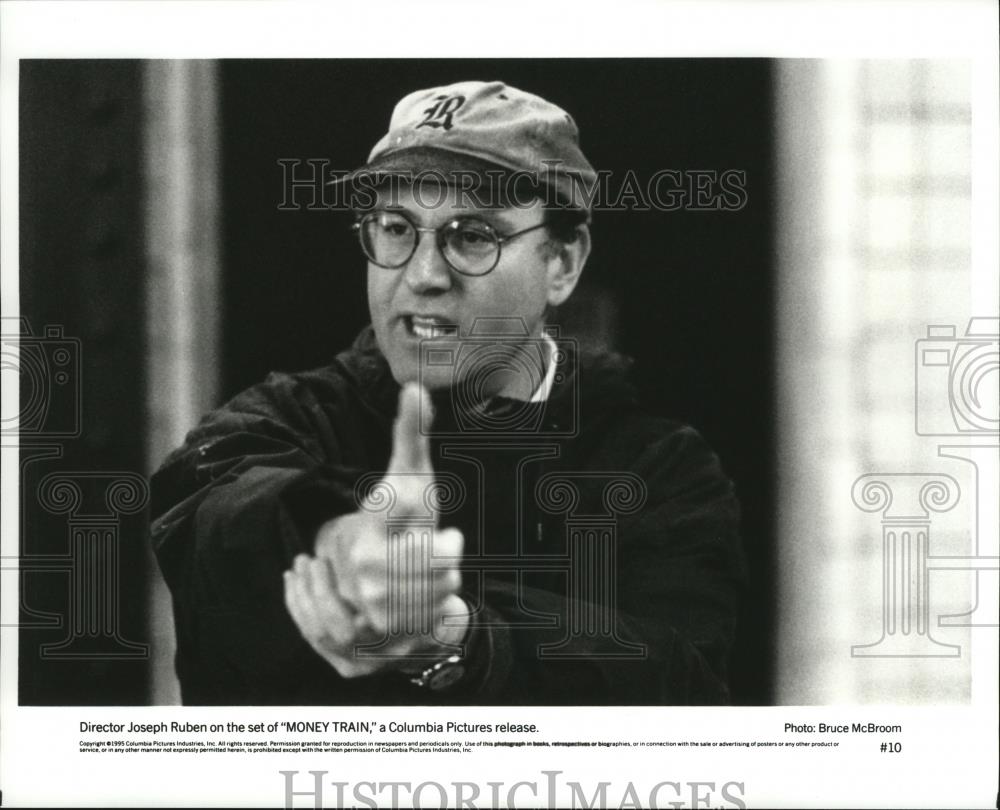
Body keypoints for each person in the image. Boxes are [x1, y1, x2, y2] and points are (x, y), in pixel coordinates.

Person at [150, 80, 747, 705]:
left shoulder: (664, 474)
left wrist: (453, 634)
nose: (424, 274)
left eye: (473, 235)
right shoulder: (280, 424)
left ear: (563, 263)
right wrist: (336, 543)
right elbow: (212, 519)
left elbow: (678, 686)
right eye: (395, 228)